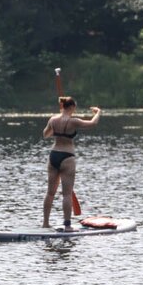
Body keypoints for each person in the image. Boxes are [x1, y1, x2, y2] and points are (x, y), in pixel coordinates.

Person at [42, 96, 101, 231]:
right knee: (67, 194)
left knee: (50, 193)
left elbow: (45, 134)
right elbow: (92, 123)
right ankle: (67, 225)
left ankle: (45, 223)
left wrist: (56, 129)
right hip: (67, 156)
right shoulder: (74, 121)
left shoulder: (53, 119)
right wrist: (98, 112)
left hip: (54, 155)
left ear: (62, 107)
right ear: (72, 107)